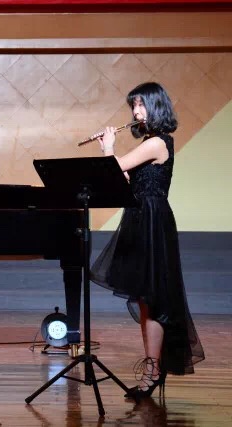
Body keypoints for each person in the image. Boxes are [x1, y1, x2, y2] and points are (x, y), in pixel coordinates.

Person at [91, 82, 205, 399]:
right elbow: (125, 179)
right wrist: (111, 157)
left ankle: (153, 371)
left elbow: (116, 167)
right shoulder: (148, 143)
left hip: (153, 220)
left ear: (155, 106)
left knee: (153, 300)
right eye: (133, 106)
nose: (135, 111)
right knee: (145, 299)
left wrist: (108, 147)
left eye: (140, 105)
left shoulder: (157, 142)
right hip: (141, 217)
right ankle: (153, 368)